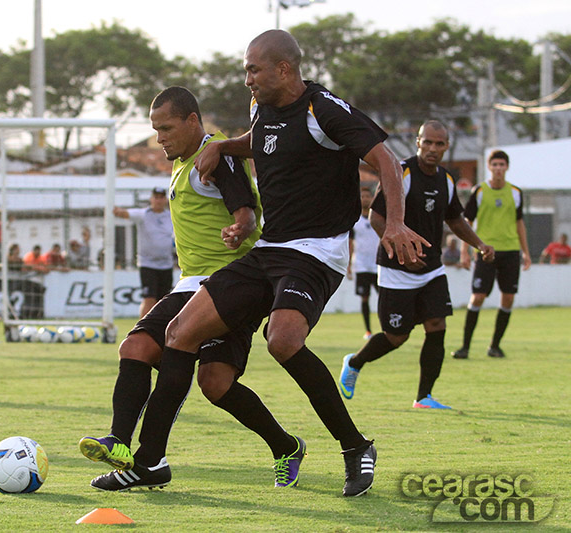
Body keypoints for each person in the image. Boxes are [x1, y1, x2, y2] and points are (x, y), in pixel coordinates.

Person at [118, 30, 428, 498]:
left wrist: (395, 224)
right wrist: (224, 146)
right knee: (179, 333)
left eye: (253, 69)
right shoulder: (260, 110)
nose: (247, 79)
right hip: (269, 251)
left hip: (317, 252)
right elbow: (260, 141)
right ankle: (148, 462)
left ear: (285, 69)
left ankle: (354, 446)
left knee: (282, 340)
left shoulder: (324, 110)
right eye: (246, 69)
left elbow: (387, 160)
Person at [80, 86, 305, 491]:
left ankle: (138, 454)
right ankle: (286, 446)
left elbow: (247, 212)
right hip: (195, 283)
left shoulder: (216, 156)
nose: (160, 138)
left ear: (192, 121)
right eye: (155, 130)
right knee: (215, 383)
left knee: (141, 347)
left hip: (229, 284)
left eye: (166, 128)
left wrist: (241, 229)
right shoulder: (184, 161)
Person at [338, 121, 495, 410]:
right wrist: (403, 253)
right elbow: (376, 218)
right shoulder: (402, 173)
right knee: (396, 336)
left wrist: (479, 244)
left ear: (446, 146)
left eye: (439, 144)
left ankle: (424, 397)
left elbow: (455, 220)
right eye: (428, 142)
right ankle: (355, 362)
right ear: (417, 142)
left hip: (432, 269)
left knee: (437, 325)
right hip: (397, 271)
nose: (432, 149)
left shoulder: (447, 180)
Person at [452, 150, 531, 360]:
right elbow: (466, 222)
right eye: (494, 164)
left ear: (507, 167)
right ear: (489, 167)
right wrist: (465, 251)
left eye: (502, 165)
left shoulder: (515, 192)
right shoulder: (479, 191)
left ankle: (495, 346)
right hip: (486, 252)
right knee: (478, 296)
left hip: (511, 251)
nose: (498, 168)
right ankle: (465, 347)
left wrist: (526, 252)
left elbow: (519, 222)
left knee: (508, 298)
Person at [114, 188, 175, 318]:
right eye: (156, 197)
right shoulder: (143, 214)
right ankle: (142, 330)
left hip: (166, 264)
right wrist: (116, 210)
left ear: (165, 199)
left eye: (161, 197)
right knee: (149, 299)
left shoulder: (171, 216)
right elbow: (124, 213)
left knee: (164, 300)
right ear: (151, 199)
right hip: (148, 265)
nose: (158, 200)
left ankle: (160, 330)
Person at [347, 186, 379, 339]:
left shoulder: (378, 218)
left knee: (385, 296)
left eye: (368, 196)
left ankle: (387, 327)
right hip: (361, 265)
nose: (365, 199)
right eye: (363, 196)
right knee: (364, 297)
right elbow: (350, 243)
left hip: (378, 265)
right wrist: (348, 265)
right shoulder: (354, 221)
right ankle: (368, 330)